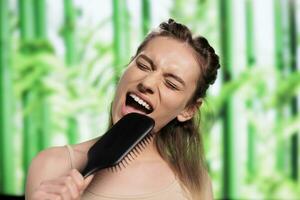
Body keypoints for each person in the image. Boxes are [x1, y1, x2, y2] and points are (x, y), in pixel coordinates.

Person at [25, 18, 220, 200]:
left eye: (171, 84)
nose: (148, 82)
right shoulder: (51, 165)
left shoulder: (194, 183)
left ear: (189, 110)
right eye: (143, 65)